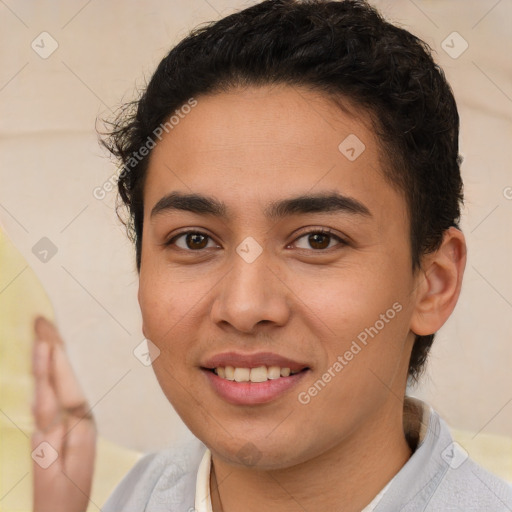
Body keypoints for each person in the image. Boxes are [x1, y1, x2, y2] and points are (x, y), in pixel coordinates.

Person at [31, 0, 512, 510]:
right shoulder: (136, 494)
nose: (243, 307)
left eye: (318, 240)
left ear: (433, 282)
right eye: (195, 240)